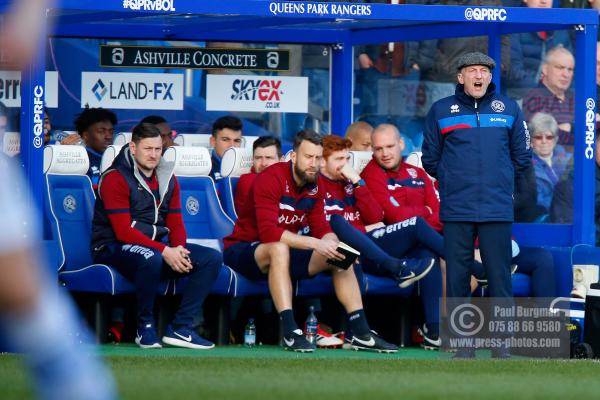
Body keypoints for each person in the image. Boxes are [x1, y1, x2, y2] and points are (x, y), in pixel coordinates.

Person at [223, 130, 398, 353]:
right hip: (245, 249)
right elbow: (269, 233)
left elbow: (322, 227)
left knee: (341, 254)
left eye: (317, 158)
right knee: (278, 248)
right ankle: (290, 331)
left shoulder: (315, 184)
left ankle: (361, 332)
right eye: (308, 157)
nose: (313, 164)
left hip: (287, 252)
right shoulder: (271, 177)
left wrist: (331, 242)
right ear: (294, 156)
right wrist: (316, 244)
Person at [422, 51, 531, 358]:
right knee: (457, 277)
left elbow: (522, 156)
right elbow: (430, 157)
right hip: (457, 207)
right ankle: (461, 346)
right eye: (472, 70)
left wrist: (501, 182)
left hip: (496, 206)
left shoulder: (508, 108)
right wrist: (452, 178)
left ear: (490, 77)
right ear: (461, 77)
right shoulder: (441, 109)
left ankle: (502, 346)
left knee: (500, 277)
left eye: (484, 70)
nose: (479, 76)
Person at [91, 123, 221, 349]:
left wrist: (179, 250)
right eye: (147, 149)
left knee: (211, 258)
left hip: (155, 247)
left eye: (157, 149)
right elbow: (122, 231)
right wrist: (164, 251)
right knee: (151, 256)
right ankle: (145, 327)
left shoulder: (167, 176)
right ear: (133, 147)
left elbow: (175, 222)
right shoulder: (115, 177)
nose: (153, 155)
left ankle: (181, 328)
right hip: (111, 247)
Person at [319, 135, 444, 349]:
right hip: (340, 250)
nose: (344, 165)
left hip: (372, 248)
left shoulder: (352, 183)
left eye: (346, 159)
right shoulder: (316, 186)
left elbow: (375, 215)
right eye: (339, 160)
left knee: (427, 254)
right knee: (414, 225)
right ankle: (469, 264)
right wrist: (363, 229)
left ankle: (434, 330)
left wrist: (358, 182)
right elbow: (325, 229)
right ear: (322, 162)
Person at [361, 123, 442, 232]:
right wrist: (426, 210)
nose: (385, 154)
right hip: (395, 241)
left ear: (401, 144)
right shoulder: (371, 174)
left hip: (425, 235)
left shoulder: (418, 173)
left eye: (390, 146)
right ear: (373, 150)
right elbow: (393, 216)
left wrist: (421, 226)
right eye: (379, 149)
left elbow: (438, 213)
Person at [506, 0, 572, 98]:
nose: (544, 1)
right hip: (520, 98)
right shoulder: (512, 26)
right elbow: (513, 72)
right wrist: (543, 94)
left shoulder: (560, 29)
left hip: (556, 99)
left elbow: (572, 71)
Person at [522, 46, 575, 146]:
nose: (566, 74)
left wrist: (570, 127)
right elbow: (545, 139)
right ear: (545, 69)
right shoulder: (534, 98)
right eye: (560, 67)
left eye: (570, 69)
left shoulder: (576, 97)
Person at [529, 112, 571, 214]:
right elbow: (537, 202)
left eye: (549, 137)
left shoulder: (570, 160)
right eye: (538, 137)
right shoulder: (525, 166)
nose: (544, 141)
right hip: (544, 219)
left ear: (556, 139)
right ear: (531, 141)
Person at [63, 108, 117, 187]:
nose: (108, 136)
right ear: (86, 135)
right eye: (101, 131)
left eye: (111, 132)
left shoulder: (119, 159)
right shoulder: (77, 160)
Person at [234, 135, 282, 213]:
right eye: (258, 158)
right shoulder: (247, 181)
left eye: (269, 158)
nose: (263, 163)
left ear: (281, 160)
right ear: (253, 160)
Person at [209, 115, 243, 180]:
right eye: (225, 139)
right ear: (213, 141)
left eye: (236, 141)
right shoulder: (205, 170)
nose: (232, 145)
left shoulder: (248, 170)